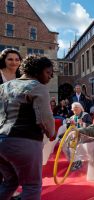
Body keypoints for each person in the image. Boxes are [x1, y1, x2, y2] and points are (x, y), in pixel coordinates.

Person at [0, 55, 55, 200]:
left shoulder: (3, 87)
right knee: (32, 185)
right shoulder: (38, 87)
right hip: (24, 140)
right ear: (38, 70)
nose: (50, 77)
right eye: (48, 73)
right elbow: (45, 120)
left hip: (1, 141)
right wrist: (51, 133)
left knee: (10, 181)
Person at [0, 48, 22, 200]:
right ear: (4, 60)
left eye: (17, 59)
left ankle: (9, 191)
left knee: (11, 163)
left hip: (15, 123)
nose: (14, 62)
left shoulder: (21, 77)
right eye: (10, 59)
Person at [68, 102, 93, 171]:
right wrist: (70, 124)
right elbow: (68, 127)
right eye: (73, 110)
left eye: (76, 109)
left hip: (85, 136)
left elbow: (91, 126)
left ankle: (79, 162)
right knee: (69, 145)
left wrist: (82, 123)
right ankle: (74, 161)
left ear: (80, 108)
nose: (74, 111)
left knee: (78, 145)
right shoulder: (72, 117)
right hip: (75, 136)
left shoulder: (86, 115)